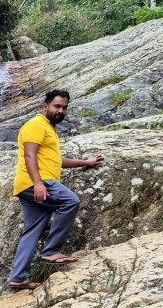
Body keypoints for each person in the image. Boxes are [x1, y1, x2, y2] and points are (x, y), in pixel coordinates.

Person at [7, 90, 105, 290]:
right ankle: (51, 251)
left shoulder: (49, 128)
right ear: (45, 106)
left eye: (64, 107)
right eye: (57, 106)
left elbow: (57, 161)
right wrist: (38, 183)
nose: (61, 110)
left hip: (28, 185)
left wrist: (85, 162)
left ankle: (17, 278)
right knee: (70, 201)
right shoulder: (35, 125)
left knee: (32, 230)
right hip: (37, 182)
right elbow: (29, 155)